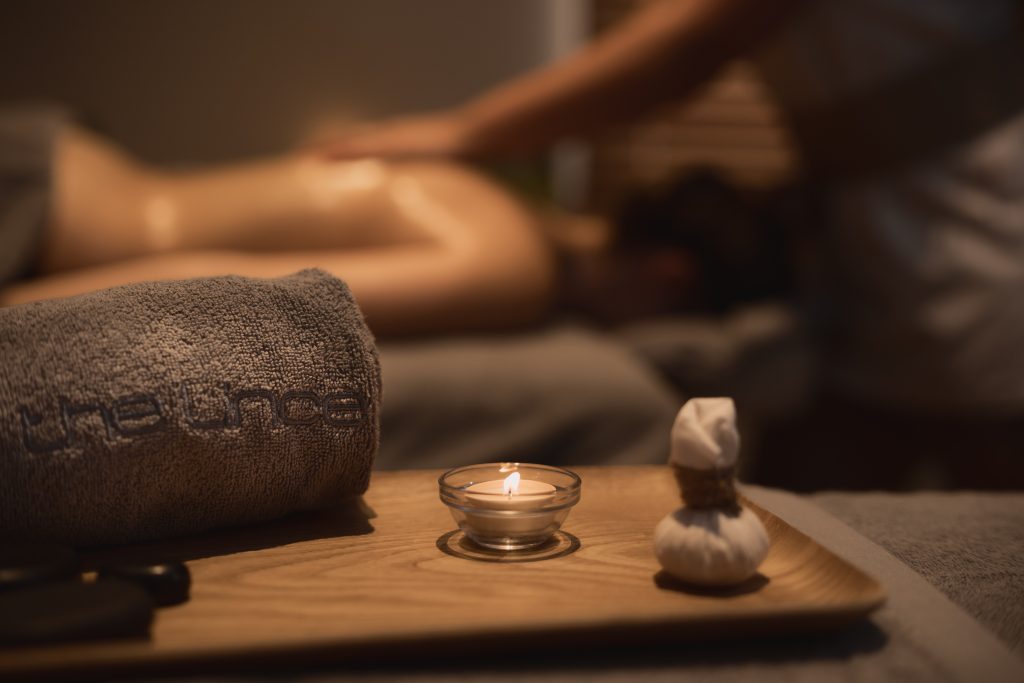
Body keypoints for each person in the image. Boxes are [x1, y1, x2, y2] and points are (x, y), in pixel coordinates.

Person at [311, 0, 1024, 487]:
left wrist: (464, 134)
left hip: (976, 246)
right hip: (903, 248)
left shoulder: (508, 261)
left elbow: (689, 46)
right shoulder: (512, 250)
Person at [0, 108, 555, 338]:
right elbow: (245, 289)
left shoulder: (476, 187)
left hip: (60, 170)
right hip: (44, 211)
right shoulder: (513, 260)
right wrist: (22, 309)